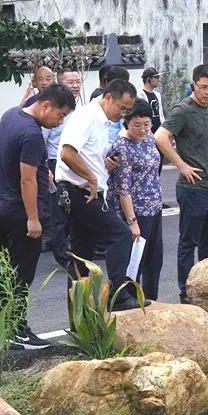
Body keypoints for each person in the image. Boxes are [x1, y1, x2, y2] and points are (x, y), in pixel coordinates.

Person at [0, 84, 75, 348]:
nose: (59, 121)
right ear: (45, 106)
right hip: (21, 213)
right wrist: (33, 218)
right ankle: (17, 331)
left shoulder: (11, 115)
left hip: (1, 206)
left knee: (5, 270)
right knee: (21, 273)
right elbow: (27, 179)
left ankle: (2, 328)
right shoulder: (32, 134)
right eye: (60, 115)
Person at [56, 77, 147, 310]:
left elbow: (85, 155)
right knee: (121, 235)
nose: (123, 115)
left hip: (87, 192)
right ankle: (119, 296)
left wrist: (100, 168)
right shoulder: (86, 117)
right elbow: (67, 153)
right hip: (80, 193)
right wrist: (92, 177)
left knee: (81, 257)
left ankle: (81, 317)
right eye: (122, 108)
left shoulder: (102, 121)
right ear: (108, 98)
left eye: (128, 110)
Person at [155, 65, 208, 304]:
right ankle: (186, 292)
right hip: (193, 188)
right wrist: (181, 165)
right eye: (203, 87)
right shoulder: (183, 110)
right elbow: (160, 136)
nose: (207, 92)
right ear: (193, 85)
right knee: (189, 242)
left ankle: (207, 290)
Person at [108, 99, 164, 301]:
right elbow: (123, 189)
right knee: (135, 261)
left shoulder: (148, 137)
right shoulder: (121, 146)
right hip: (136, 210)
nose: (142, 129)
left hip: (154, 207)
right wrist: (132, 222)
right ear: (126, 123)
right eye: (137, 125)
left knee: (154, 258)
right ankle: (129, 300)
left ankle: (151, 299)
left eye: (146, 124)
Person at [44, 69, 83, 265]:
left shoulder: (81, 109)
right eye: (71, 82)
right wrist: (45, 168)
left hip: (73, 163)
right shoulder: (52, 110)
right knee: (59, 212)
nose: (75, 85)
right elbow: (42, 142)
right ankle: (62, 255)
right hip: (54, 162)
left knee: (71, 209)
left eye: (78, 81)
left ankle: (71, 249)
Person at [139, 68, 163, 134]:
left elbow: (160, 114)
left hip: (158, 131)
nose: (159, 80)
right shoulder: (139, 95)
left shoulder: (157, 95)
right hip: (146, 131)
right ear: (148, 79)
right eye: (156, 77)